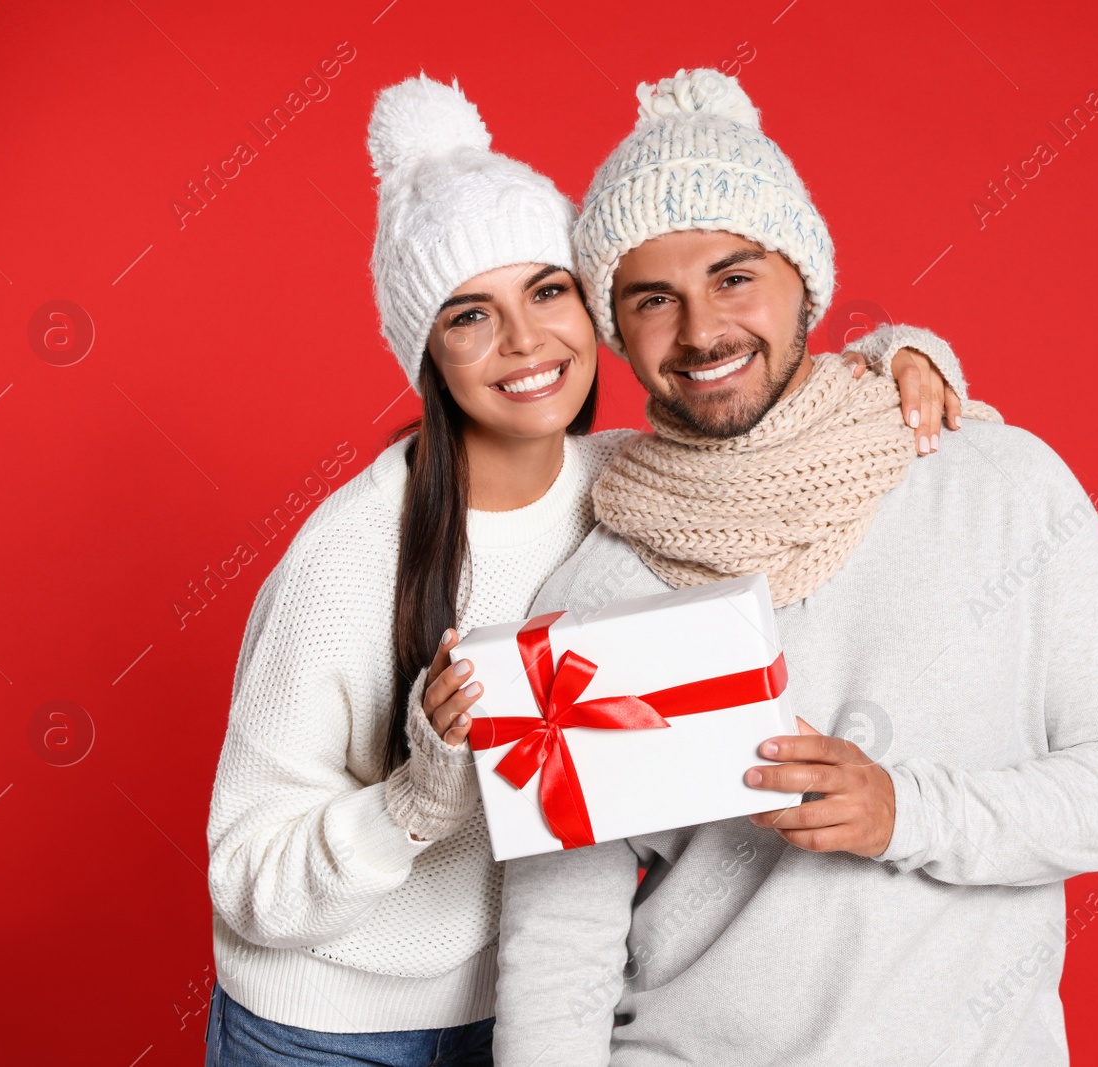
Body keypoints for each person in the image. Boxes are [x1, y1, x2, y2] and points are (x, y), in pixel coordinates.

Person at [202, 74, 996, 1067]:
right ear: (426, 354)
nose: (527, 343)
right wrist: (417, 796)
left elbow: (786, 411)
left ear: (597, 308)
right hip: (338, 1025)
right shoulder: (350, 554)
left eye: (548, 292)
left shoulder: (634, 480)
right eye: (470, 316)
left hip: (557, 1001)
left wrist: (898, 354)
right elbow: (244, 878)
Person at [490, 69, 1098, 1066]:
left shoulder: (996, 482)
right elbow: (557, 942)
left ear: (802, 278)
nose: (700, 331)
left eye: (735, 277)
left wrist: (903, 809)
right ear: (616, 327)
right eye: (654, 298)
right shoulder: (592, 588)